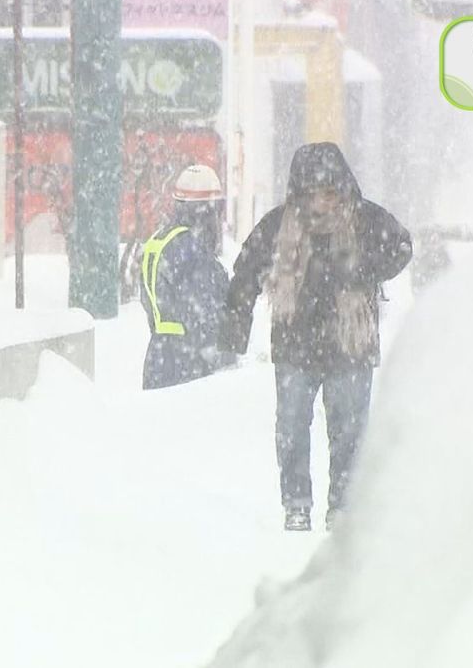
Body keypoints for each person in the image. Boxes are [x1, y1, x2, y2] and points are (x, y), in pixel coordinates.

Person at [221, 142, 413, 531]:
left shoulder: (366, 220)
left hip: (351, 344)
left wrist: (364, 271)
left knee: (350, 431)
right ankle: (296, 504)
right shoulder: (279, 225)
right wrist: (234, 328)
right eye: (312, 192)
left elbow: (401, 247)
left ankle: (343, 506)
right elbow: (246, 271)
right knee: (291, 427)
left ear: (342, 188)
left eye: (329, 191)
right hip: (296, 345)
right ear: (300, 192)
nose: (321, 202)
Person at [140, 164, 232, 390]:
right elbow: (206, 319)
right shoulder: (192, 252)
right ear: (206, 211)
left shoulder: (159, 242)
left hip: (158, 359)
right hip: (189, 368)